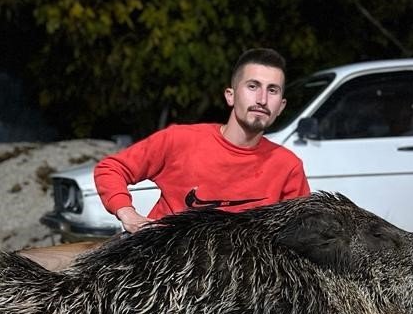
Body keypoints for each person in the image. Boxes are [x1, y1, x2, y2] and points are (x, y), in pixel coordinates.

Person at [94, 47, 311, 232]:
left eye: (272, 90)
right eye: (253, 86)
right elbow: (110, 169)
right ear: (231, 95)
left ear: (281, 106)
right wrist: (129, 215)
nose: (262, 100)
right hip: (166, 268)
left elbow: (302, 234)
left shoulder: (287, 167)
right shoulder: (180, 140)